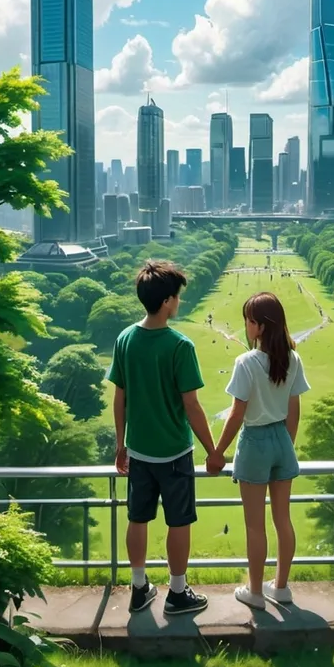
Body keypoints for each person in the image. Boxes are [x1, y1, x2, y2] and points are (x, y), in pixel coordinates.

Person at [107, 260, 225, 616]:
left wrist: (120, 444)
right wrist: (213, 451)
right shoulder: (179, 345)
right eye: (177, 297)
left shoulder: (125, 339)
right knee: (179, 522)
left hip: (139, 452)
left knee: (137, 519)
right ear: (166, 302)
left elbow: (120, 396)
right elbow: (192, 405)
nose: (180, 302)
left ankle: (139, 588)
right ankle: (177, 593)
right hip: (174, 452)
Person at [209, 292, 310, 610]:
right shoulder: (293, 359)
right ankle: (280, 587)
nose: (246, 326)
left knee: (255, 524)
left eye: (249, 320)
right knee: (284, 519)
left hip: (254, 442)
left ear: (261, 327)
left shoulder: (247, 362)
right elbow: (294, 409)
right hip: (282, 439)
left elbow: (237, 413)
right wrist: (286, 446)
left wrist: (218, 451)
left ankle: (254, 593)